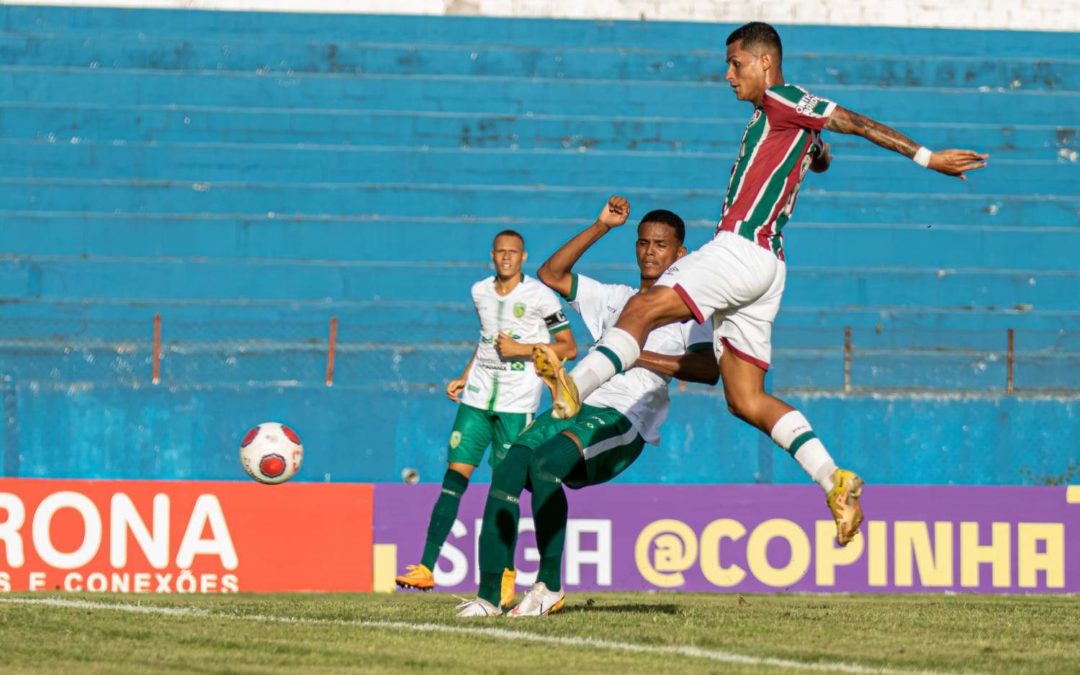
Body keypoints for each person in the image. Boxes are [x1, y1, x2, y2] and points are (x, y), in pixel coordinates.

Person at [534, 21, 990, 547]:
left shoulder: (782, 98)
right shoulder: (781, 119)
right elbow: (821, 155)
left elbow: (853, 121)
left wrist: (927, 158)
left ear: (764, 62)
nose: (728, 75)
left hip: (740, 247)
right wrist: (815, 151)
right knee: (746, 399)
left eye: (735, 63)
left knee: (642, 310)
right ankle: (833, 479)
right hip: (768, 267)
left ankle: (576, 385)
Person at [456, 197, 719, 617]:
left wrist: (633, 353)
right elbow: (550, 274)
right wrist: (601, 226)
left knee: (544, 465)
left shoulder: (691, 316)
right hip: (576, 403)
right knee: (508, 464)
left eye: (661, 245)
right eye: (643, 242)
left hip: (623, 419)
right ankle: (491, 596)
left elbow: (708, 369)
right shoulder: (616, 299)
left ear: (679, 254)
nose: (650, 251)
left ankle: (549, 588)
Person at [395, 229, 577, 609]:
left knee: (505, 487)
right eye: (500, 252)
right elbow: (485, 340)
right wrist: (465, 373)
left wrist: (522, 350)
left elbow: (568, 347)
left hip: (517, 402)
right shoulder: (479, 291)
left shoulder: (540, 296)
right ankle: (426, 566)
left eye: (513, 252)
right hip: (477, 397)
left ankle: (507, 573)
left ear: (523, 257)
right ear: (492, 256)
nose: (506, 258)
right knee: (454, 474)